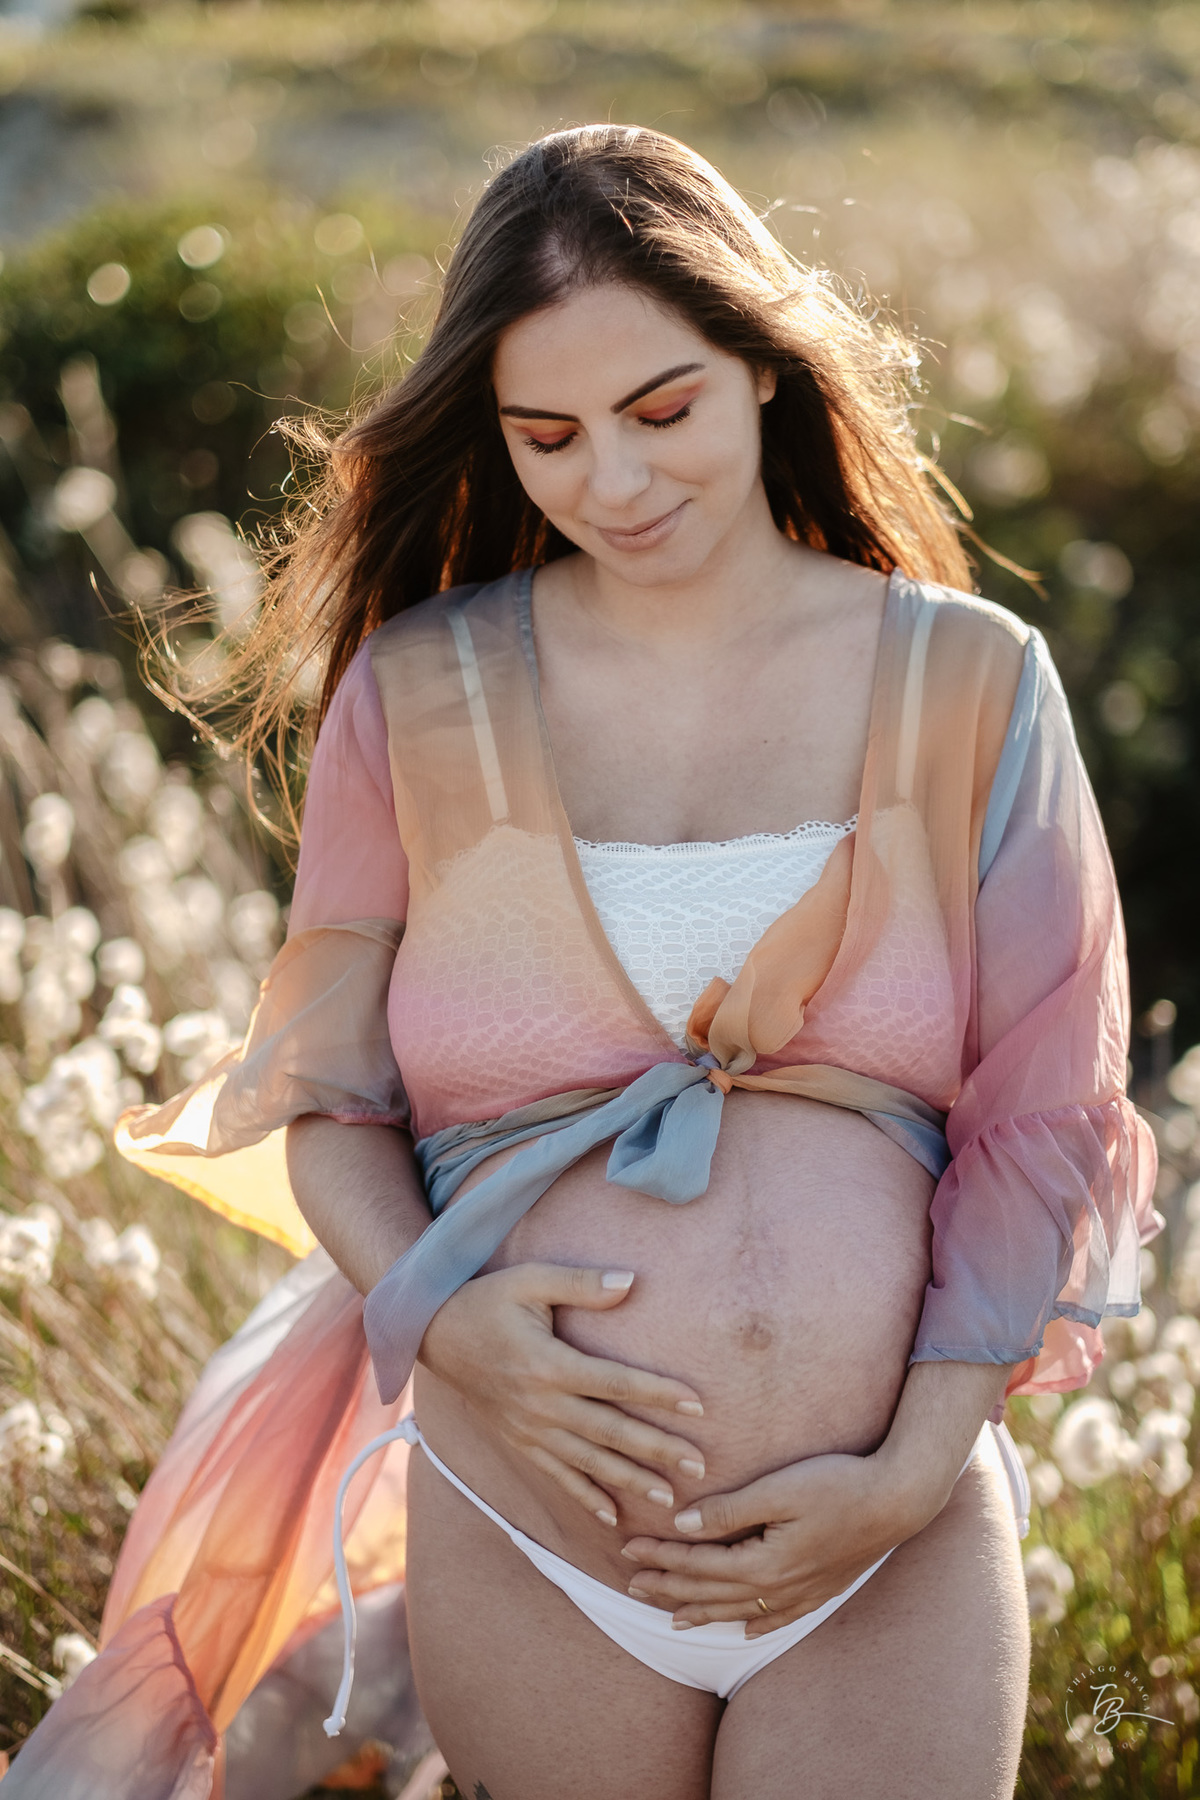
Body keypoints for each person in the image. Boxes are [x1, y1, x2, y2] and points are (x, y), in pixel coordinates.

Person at [7, 126, 1161, 1800]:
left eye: (660, 410)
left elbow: (1045, 1118)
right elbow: (327, 1103)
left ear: (761, 364)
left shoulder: (975, 681)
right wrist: (449, 1325)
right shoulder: (417, 694)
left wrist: (912, 1471)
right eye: (546, 437)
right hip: (533, 1530)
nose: (611, 481)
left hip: (881, 1539)